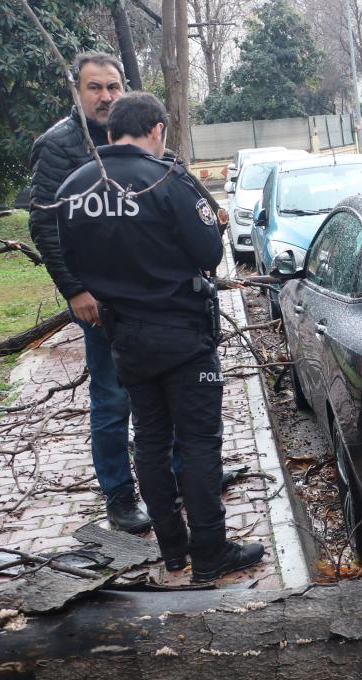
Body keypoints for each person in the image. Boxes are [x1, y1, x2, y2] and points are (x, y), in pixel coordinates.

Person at [55, 92, 264, 583]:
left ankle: (173, 550)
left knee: (149, 440)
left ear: (110, 133)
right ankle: (210, 551)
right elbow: (208, 252)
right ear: (156, 130)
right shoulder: (166, 179)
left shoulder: (74, 188)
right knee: (198, 443)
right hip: (183, 333)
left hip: (124, 336)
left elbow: (70, 258)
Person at [28, 52, 152, 533]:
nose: (105, 97)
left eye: (113, 86)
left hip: (147, 293)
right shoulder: (58, 145)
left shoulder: (132, 135)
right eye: (94, 87)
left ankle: (176, 476)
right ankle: (119, 496)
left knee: (161, 389)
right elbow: (45, 224)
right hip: (100, 300)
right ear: (77, 92)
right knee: (111, 397)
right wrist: (75, 290)